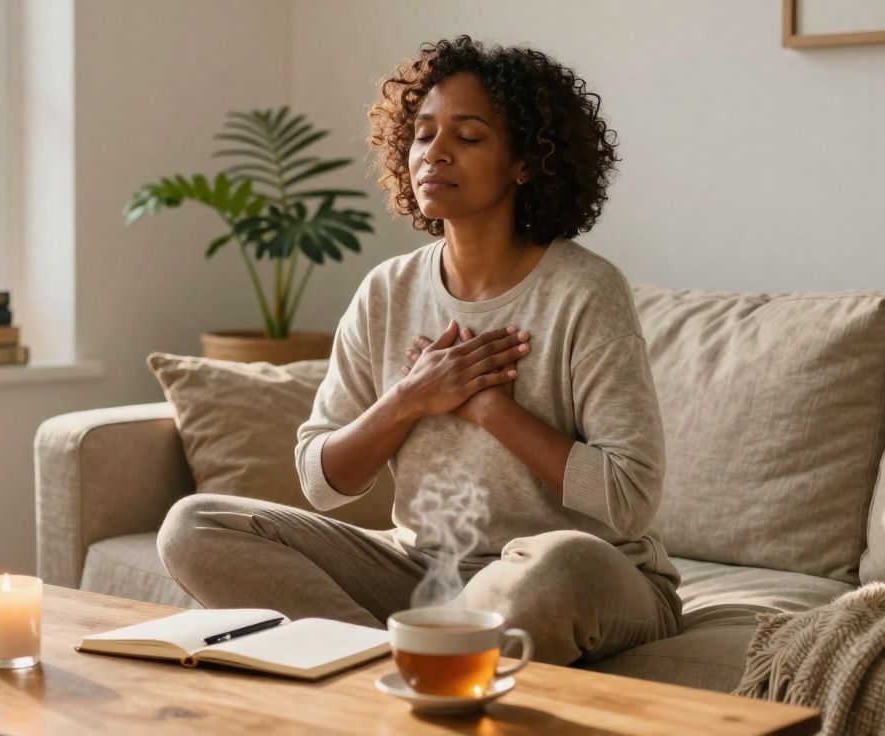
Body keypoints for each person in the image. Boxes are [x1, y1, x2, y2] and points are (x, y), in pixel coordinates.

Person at [158, 34, 682, 665]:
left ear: (524, 161)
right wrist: (410, 399)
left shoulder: (584, 291)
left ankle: (422, 659)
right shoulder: (389, 290)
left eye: (467, 136)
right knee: (195, 525)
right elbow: (322, 481)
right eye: (423, 134)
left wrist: (491, 409)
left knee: (551, 567)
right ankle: (386, 665)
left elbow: (628, 499)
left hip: (576, 575)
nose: (435, 154)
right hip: (421, 568)